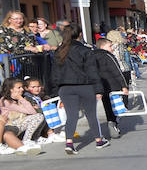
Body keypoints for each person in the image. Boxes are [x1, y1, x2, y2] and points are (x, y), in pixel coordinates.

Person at [49, 25, 107, 153]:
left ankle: (69, 143)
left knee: (71, 116)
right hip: (85, 86)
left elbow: (55, 74)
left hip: (65, 88)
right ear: (80, 34)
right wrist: (99, 90)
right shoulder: (85, 51)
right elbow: (92, 71)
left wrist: (54, 91)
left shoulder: (59, 51)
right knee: (91, 114)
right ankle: (99, 140)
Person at [92, 37, 130, 138]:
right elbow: (116, 71)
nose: (112, 48)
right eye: (110, 46)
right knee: (116, 106)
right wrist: (124, 86)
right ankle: (114, 122)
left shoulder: (92, 56)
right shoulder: (108, 56)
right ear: (103, 46)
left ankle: (111, 121)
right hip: (113, 85)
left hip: (100, 86)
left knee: (107, 105)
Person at [0, 76, 46, 154]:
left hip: (18, 125)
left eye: (22, 87)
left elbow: (33, 113)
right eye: (19, 87)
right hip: (9, 127)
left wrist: (21, 99)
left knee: (39, 116)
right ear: (11, 89)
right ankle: (24, 143)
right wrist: (21, 99)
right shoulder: (6, 101)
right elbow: (30, 111)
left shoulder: (20, 98)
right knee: (8, 134)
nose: (22, 89)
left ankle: (30, 139)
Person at [1, 10, 43, 81]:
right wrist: (26, 48)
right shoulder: (4, 31)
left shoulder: (27, 30)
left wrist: (39, 47)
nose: (19, 21)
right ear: (9, 20)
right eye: (16, 19)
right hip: (13, 64)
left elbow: (34, 42)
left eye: (21, 18)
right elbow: (8, 46)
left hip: (30, 62)